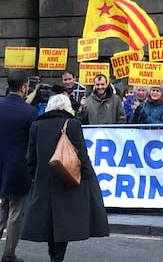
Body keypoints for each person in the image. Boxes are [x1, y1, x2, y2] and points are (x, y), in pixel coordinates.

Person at [21, 94, 109, 262]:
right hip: (67, 179)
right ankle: (57, 259)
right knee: (63, 224)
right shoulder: (73, 124)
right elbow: (82, 155)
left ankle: (53, 256)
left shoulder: (36, 125)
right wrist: (88, 179)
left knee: (48, 223)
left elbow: (30, 158)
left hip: (44, 180)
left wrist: (35, 176)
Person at [0, 70, 38, 262]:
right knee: (16, 211)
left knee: (3, 203)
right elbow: (33, 142)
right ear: (24, 87)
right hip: (18, 166)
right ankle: (9, 254)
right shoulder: (30, 112)